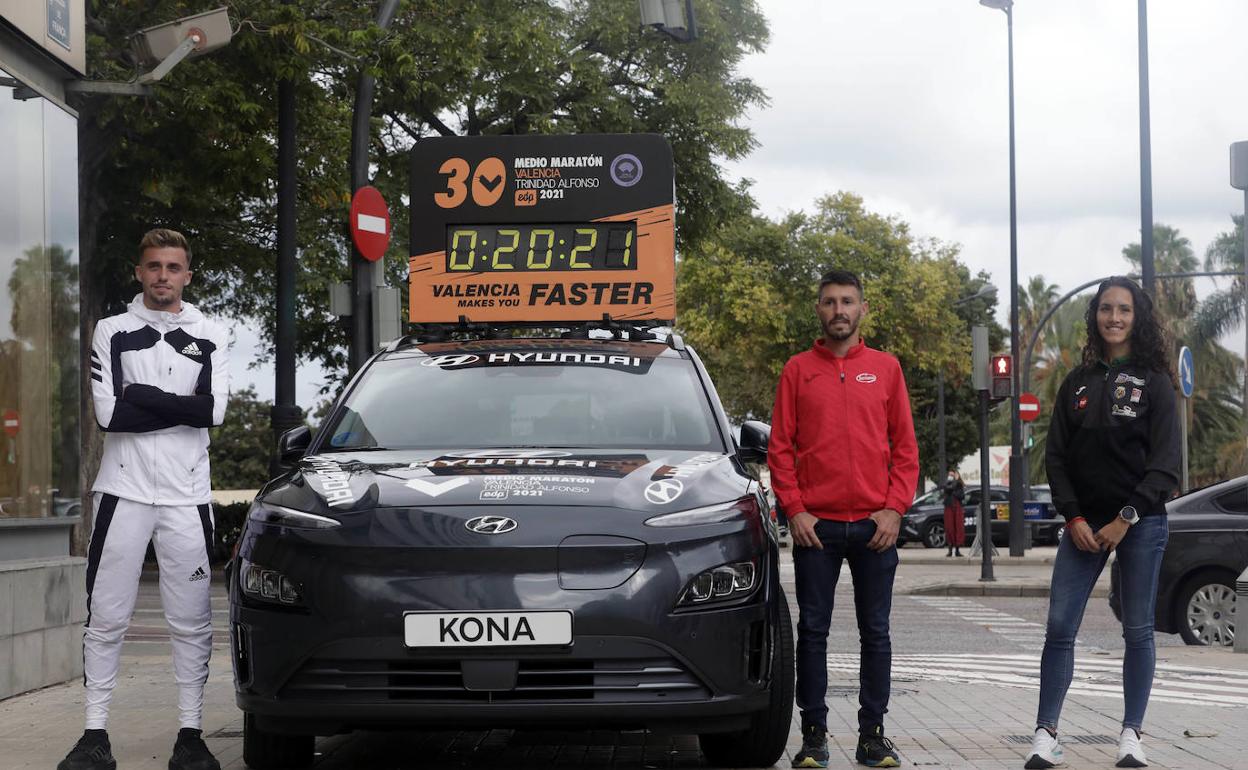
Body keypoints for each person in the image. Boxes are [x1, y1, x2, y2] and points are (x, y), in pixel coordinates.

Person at [60, 229, 230, 770]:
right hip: (123, 491)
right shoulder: (110, 331)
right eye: (153, 266)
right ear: (140, 272)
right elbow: (110, 417)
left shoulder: (211, 332)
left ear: (188, 273)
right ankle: (94, 736)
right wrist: (181, 405)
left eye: (173, 267)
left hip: (188, 495)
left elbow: (215, 413)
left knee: (192, 619)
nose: (163, 276)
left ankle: (191, 734)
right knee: (106, 617)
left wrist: (144, 398)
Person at [1024, 276, 1179, 770]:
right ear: (1095, 315)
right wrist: (1072, 517)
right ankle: (1046, 733)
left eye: (1125, 310)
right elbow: (1056, 457)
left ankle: (1131, 736)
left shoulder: (1155, 382)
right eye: (1107, 309)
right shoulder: (1076, 382)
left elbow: (1166, 465)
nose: (1114, 318)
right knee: (1059, 627)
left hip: (1140, 524)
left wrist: (1125, 519)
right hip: (1082, 528)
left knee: (1138, 630)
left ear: (1138, 318)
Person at [769, 270, 919, 769]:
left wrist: (895, 508)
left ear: (863, 309)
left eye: (848, 301)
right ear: (819, 309)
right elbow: (780, 449)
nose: (839, 310)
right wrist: (795, 509)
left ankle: (872, 736)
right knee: (812, 632)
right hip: (818, 529)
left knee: (876, 633)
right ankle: (813, 737)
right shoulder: (796, 370)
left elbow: (905, 450)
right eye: (830, 302)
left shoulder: (887, 369)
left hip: (877, 529)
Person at [942, 469, 966, 557]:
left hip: (957, 508)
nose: (951, 476)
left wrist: (955, 484)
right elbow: (946, 488)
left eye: (953, 474)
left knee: (958, 527)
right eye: (950, 475)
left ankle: (957, 550)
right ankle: (950, 549)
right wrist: (951, 482)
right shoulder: (947, 483)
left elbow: (962, 495)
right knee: (949, 528)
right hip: (949, 507)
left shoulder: (959, 484)